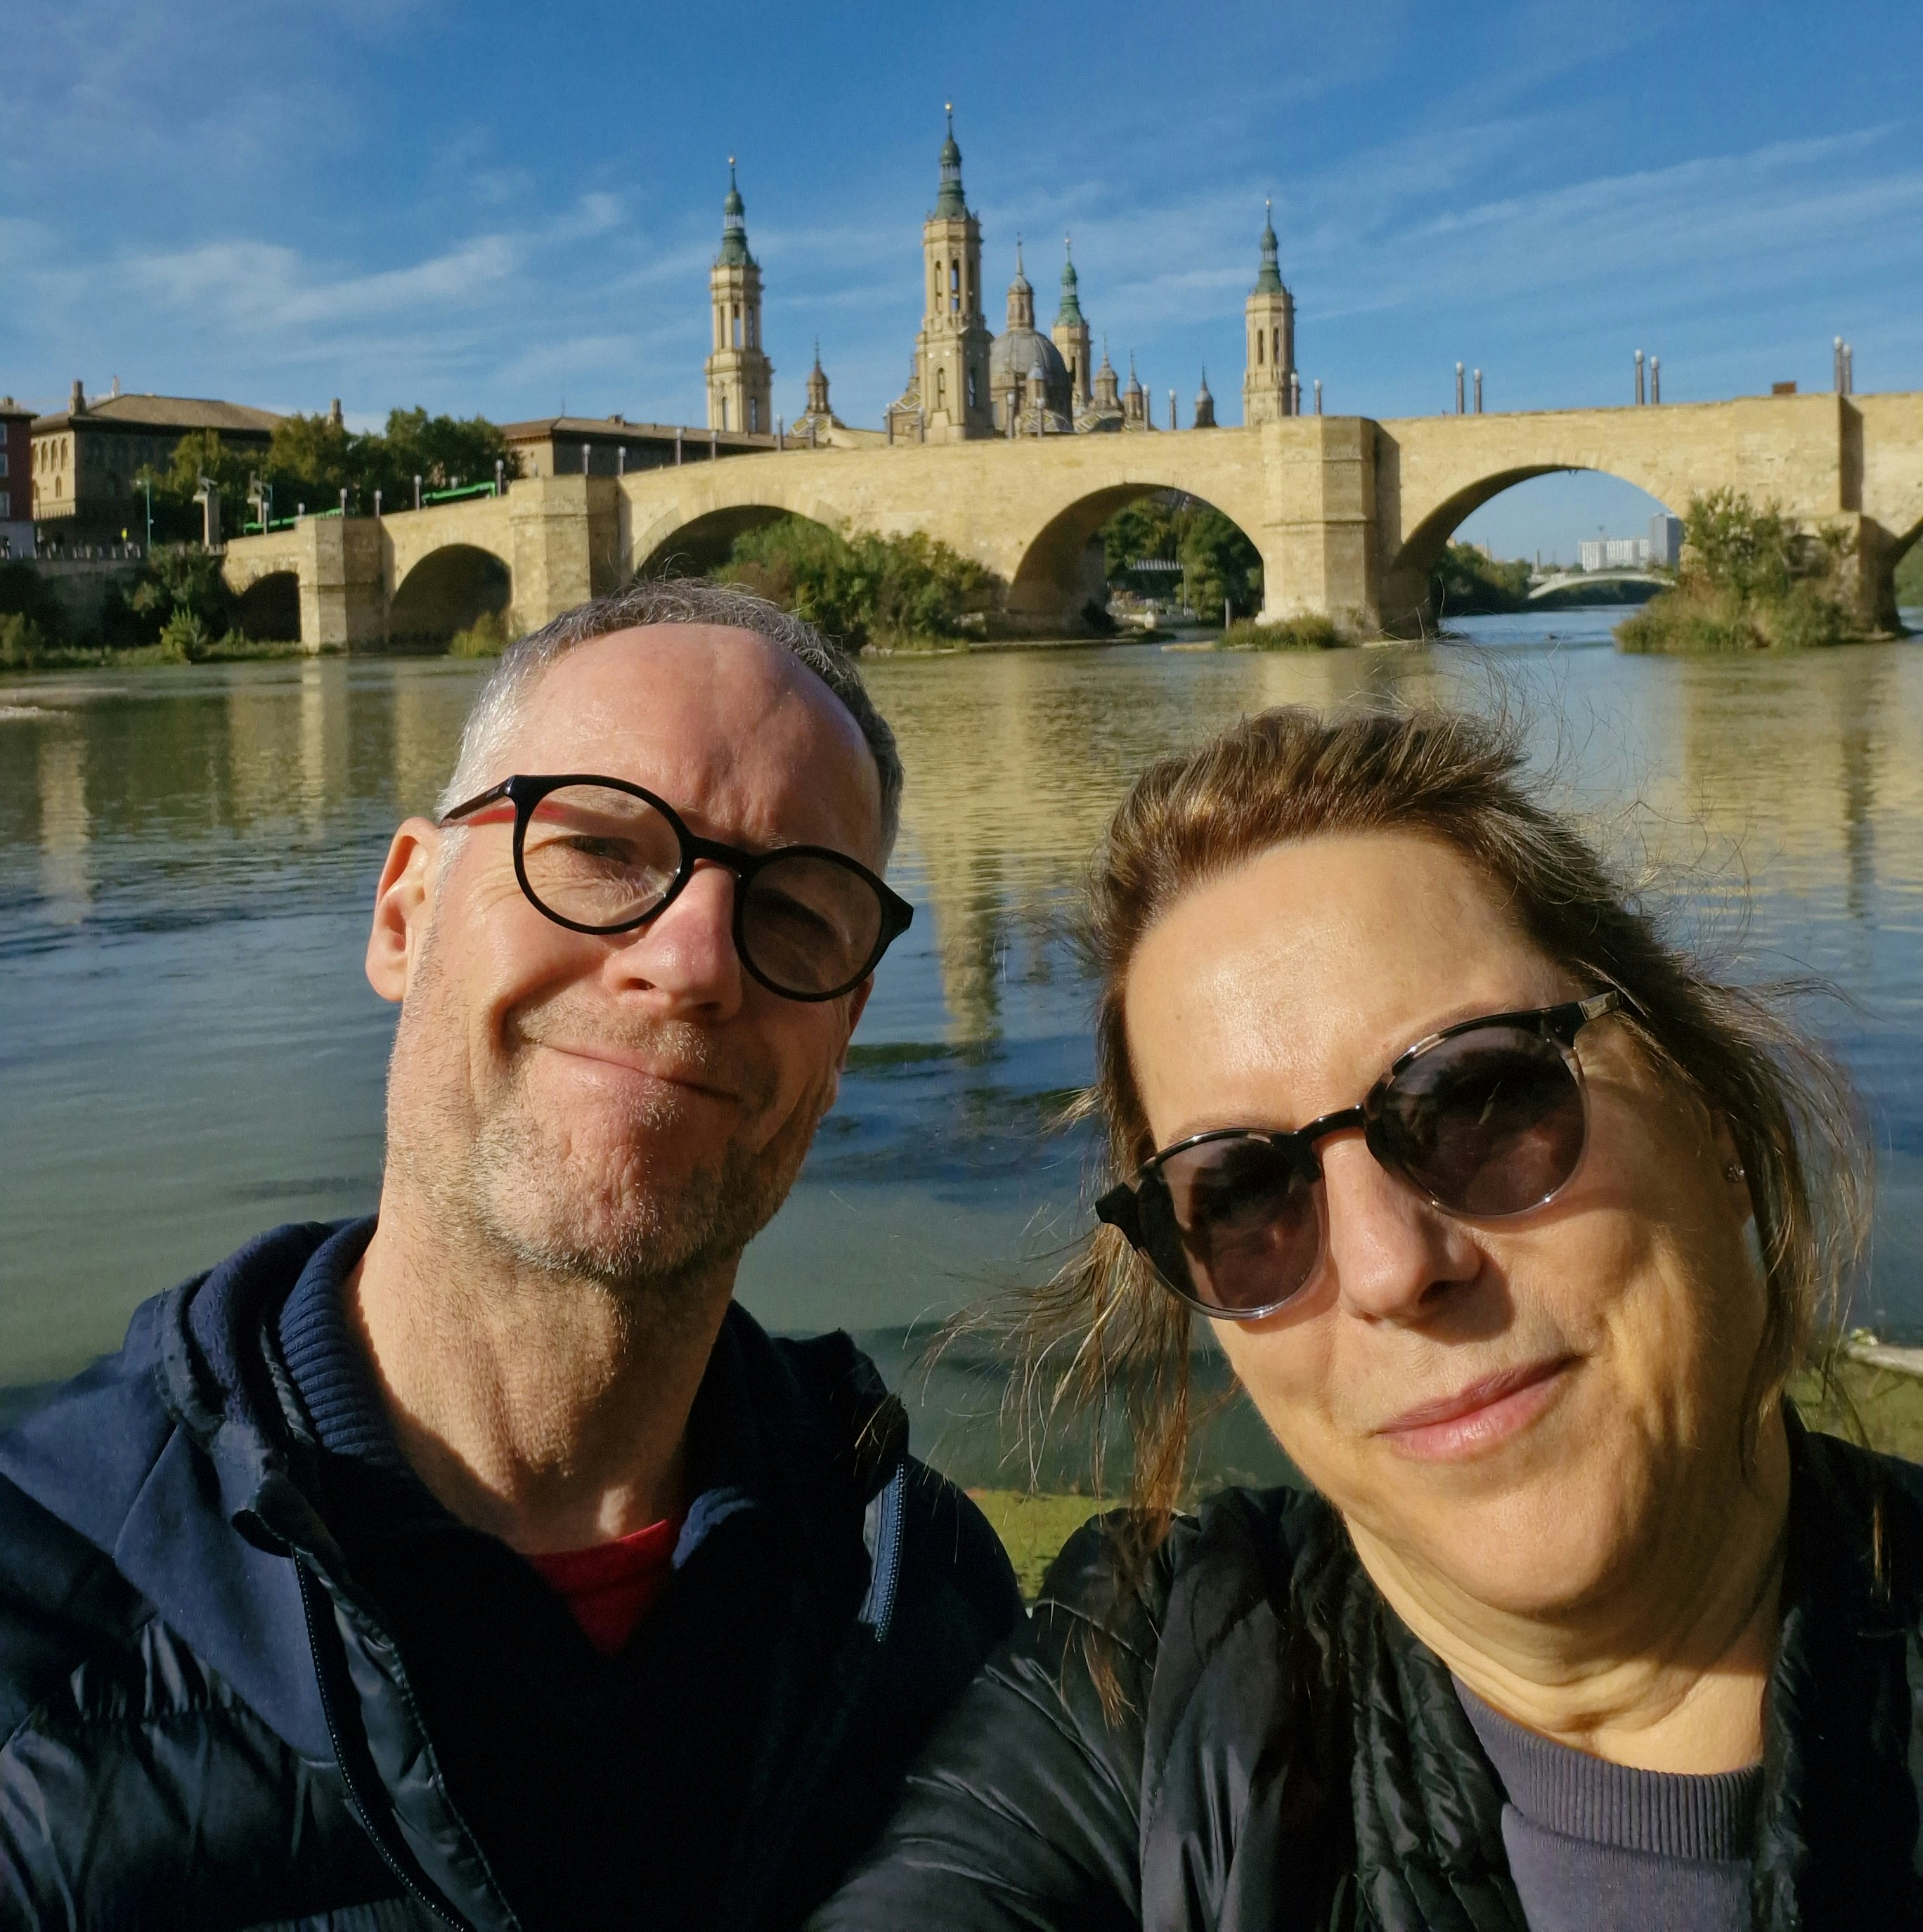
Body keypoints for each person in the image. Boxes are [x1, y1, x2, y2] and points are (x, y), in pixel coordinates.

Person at [0, 581, 1018, 1931]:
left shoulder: (929, 1601)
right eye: (598, 848)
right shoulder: (37, 1603)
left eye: (800, 914)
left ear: (841, 1046)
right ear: (405, 914)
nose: (695, 960)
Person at [812, 704, 1923, 1929]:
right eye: (1242, 1196)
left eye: (1486, 1098)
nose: (1394, 1268)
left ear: (1708, 1114)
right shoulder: (1129, 1707)